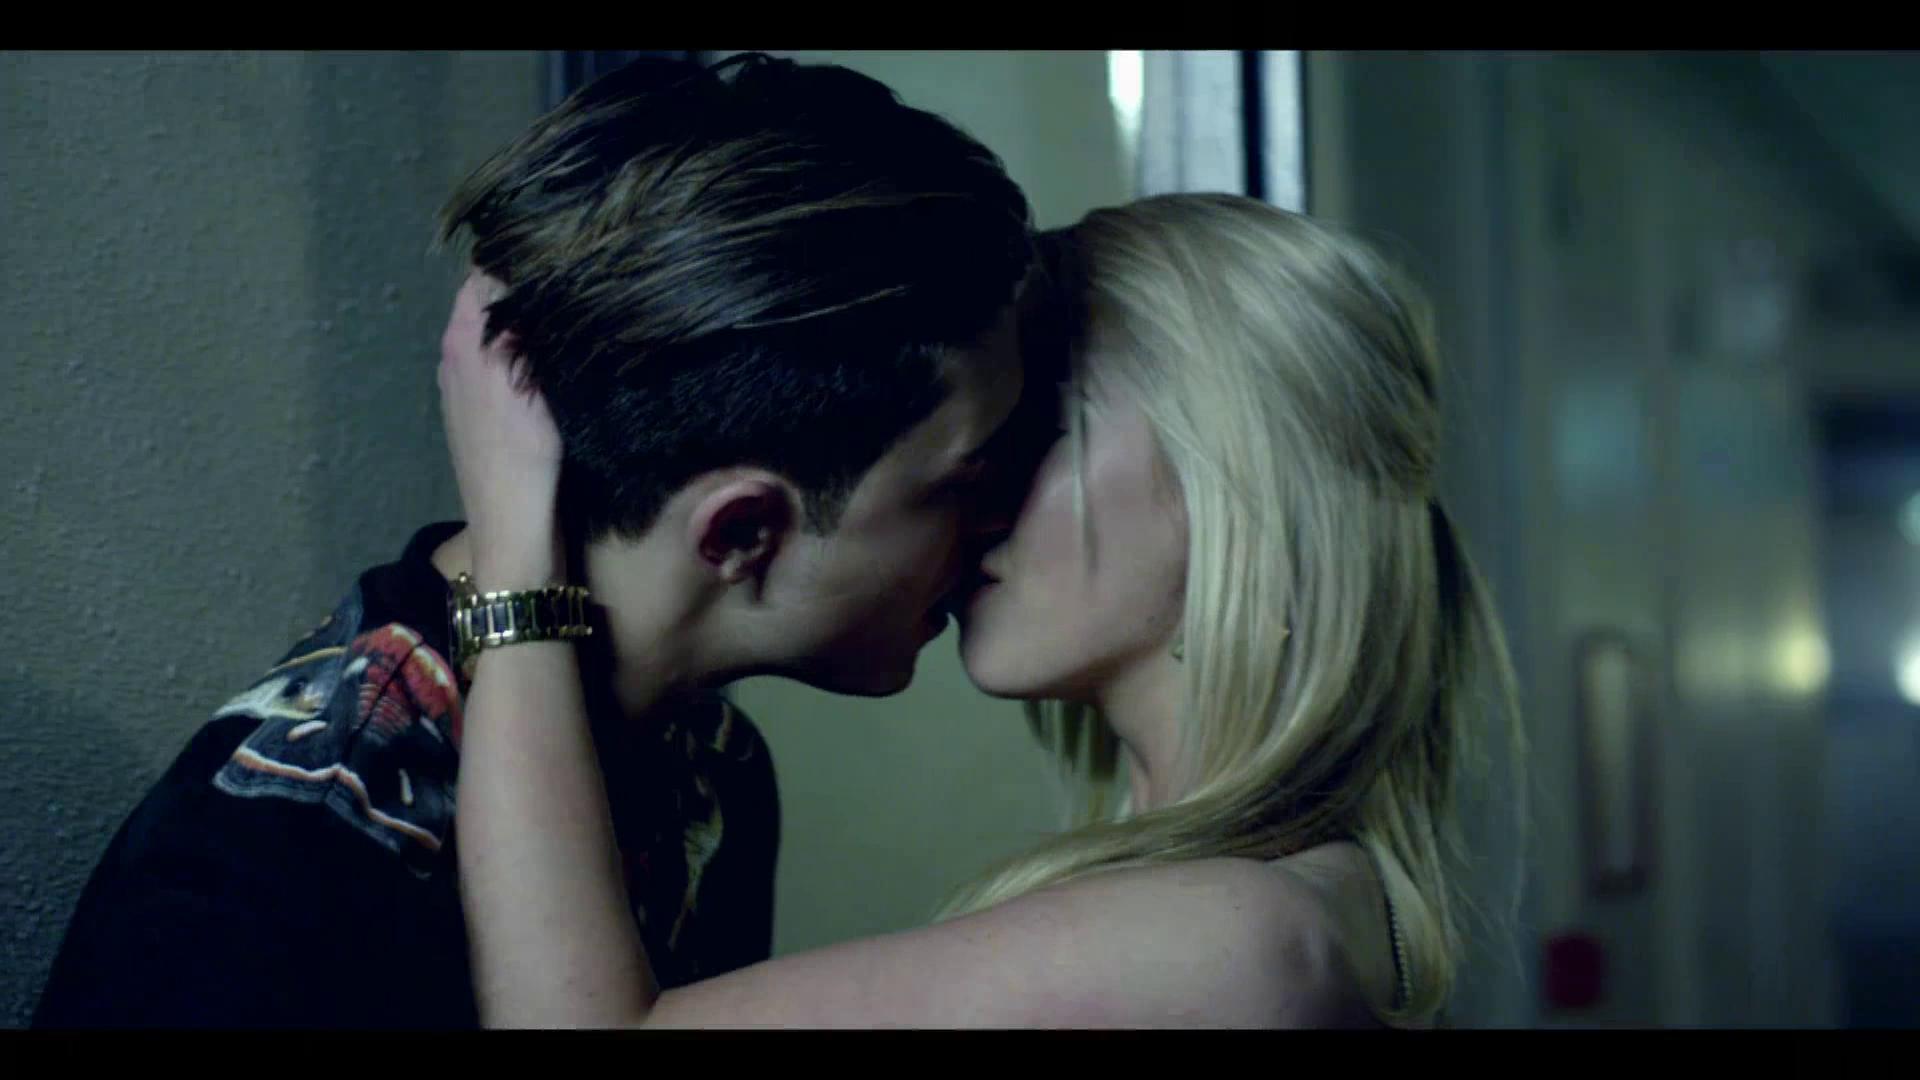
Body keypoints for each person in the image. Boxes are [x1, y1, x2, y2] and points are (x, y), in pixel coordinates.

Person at [31, 52, 1034, 1028]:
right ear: (741, 531)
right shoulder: (294, 843)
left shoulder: (712, 765)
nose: (1002, 522)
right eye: (967, 482)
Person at [441, 193, 1527, 1029]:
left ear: (1229, 484)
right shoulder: (1294, 905)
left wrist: (513, 528)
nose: (977, 500)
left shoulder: (1240, 938)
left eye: (1037, 432)